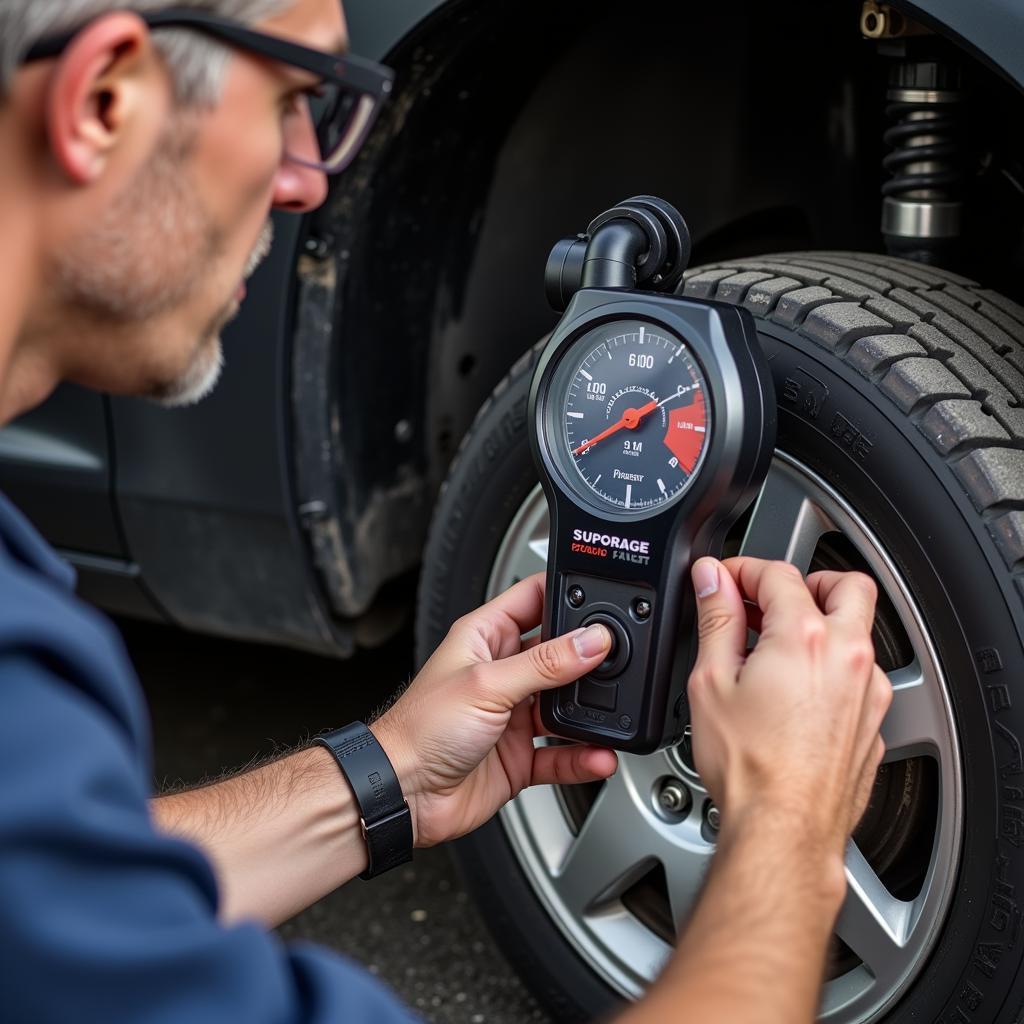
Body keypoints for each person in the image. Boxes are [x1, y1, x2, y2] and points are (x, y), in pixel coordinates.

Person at [0, 1, 892, 1022]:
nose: (307, 182)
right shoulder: (21, 673)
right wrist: (789, 823)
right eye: (300, 97)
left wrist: (387, 775)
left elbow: (74, 907)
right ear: (103, 101)